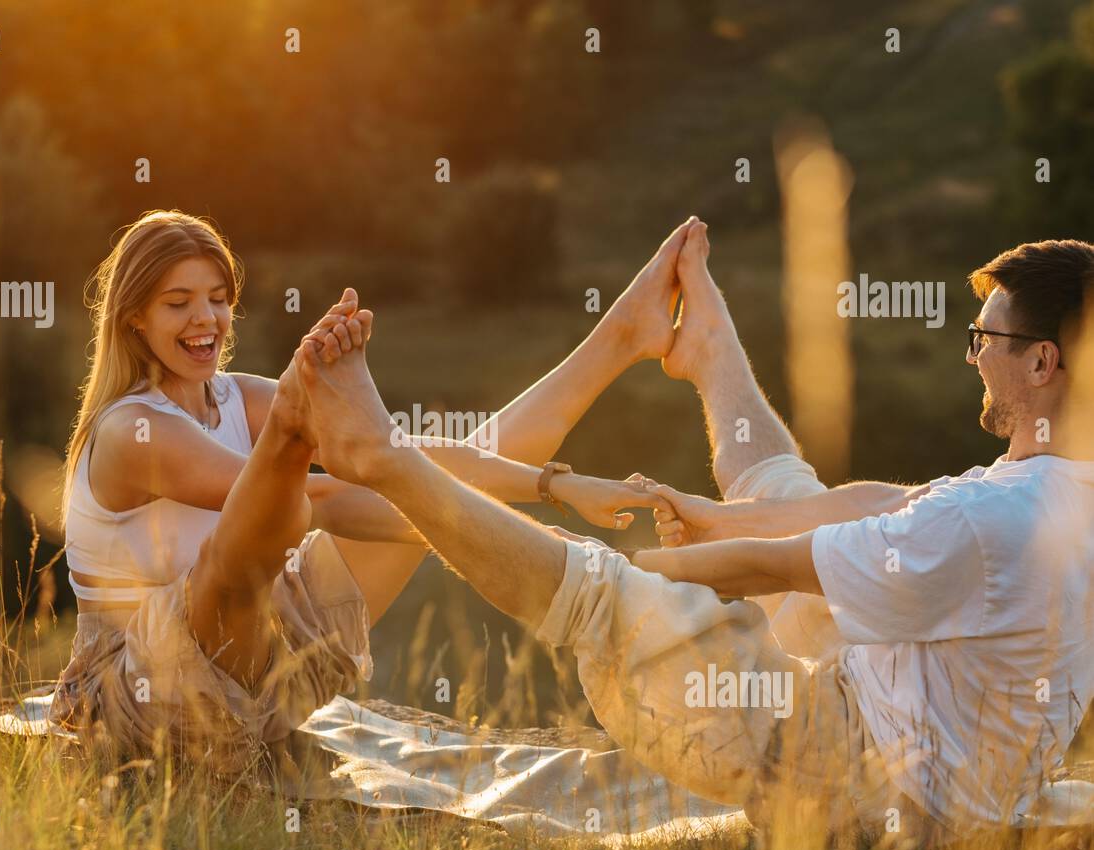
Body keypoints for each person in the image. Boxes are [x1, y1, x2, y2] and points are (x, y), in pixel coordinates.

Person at [291, 222, 1094, 839]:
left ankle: (382, 459)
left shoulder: (991, 519)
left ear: (1041, 364)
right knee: (787, 491)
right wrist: (715, 515)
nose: (971, 357)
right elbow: (885, 502)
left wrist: (624, 567)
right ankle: (709, 349)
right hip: (908, 732)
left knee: (602, 591)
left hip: (856, 774)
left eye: (985, 339)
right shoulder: (1050, 493)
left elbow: (772, 568)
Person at [50, 209, 694, 768]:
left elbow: (401, 464)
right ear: (133, 317)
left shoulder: (236, 396)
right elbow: (312, 504)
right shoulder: (130, 431)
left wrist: (556, 486)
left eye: (217, 297)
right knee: (259, 530)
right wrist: (477, 529)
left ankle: (621, 337)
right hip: (141, 692)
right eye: (177, 302)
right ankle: (305, 423)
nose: (206, 318)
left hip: (267, 662)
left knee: (404, 469)